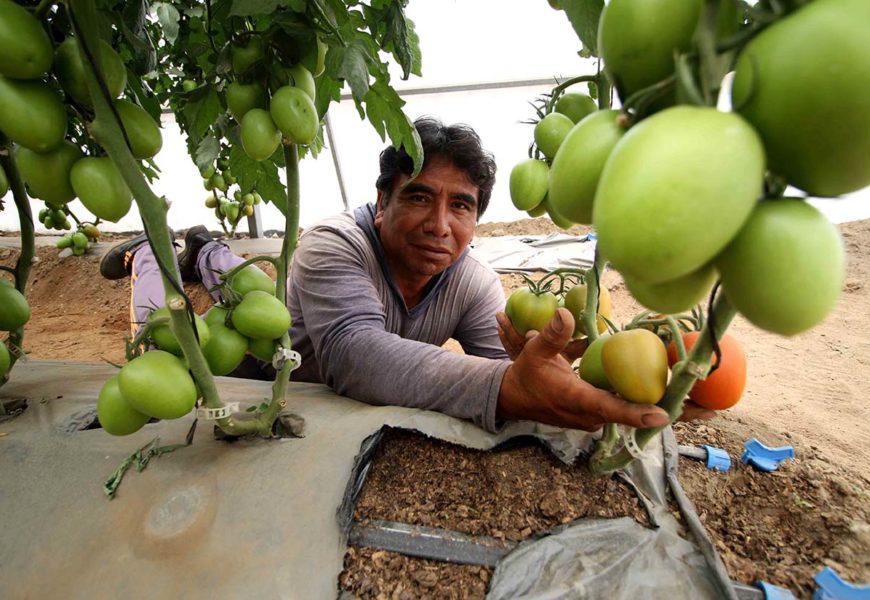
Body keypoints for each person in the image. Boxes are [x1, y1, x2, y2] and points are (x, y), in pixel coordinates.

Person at [101, 116, 711, 433]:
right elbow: (355, 356)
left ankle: (207, 247)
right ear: (382, 200)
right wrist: (504, 387)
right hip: (259, 366)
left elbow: (501, 371)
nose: (439, 225)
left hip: (280, 310)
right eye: (419, 197)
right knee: (172, 320)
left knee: (232, 272)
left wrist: (544, 373)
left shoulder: (470, 281)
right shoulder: (333, 245)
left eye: (462, 206)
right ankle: (153, 255)